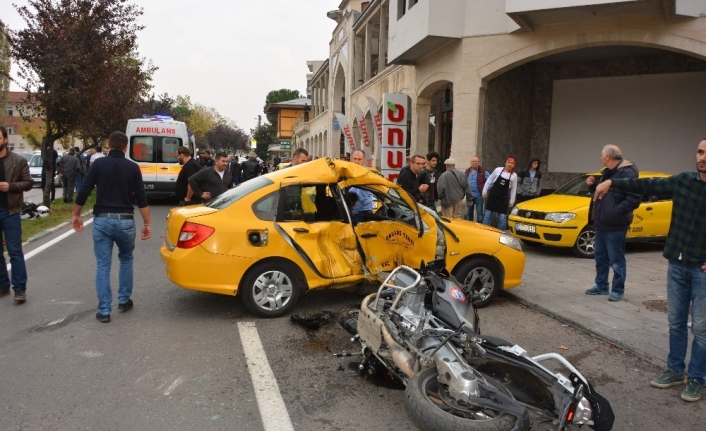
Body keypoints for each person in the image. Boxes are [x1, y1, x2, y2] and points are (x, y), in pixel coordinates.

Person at [594, 139, 706, 403]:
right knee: (676, 322)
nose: (703, 157)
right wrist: (612, 181)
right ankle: (676, 371)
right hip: (677, 265)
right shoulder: (683, 181)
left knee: (701, 328)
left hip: (701, 270)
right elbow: (645, 185)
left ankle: (698, 378)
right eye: (700, 152)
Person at [71, 131, 151, 323]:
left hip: (102, 220)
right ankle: (124, 300)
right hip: (125, 220)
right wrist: (147, 223)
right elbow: (141, 197)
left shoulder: (98, 164)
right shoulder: (133, 168)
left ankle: (105, 311)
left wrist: (76, 214)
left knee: (103, 265)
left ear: (108, 145)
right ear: (126, 147)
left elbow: (85, 189)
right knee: (126, 258)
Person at [584, 145, 641, 302]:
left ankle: (617, 289)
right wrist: (592, 187)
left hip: (616, 224)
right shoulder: (607, 173)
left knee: (616, 259)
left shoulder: (627, 173)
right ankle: (601, 285)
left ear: (608, 157)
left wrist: (615, 212)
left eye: (602, 155)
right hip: (602, 223)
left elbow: (634, 198)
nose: (601, 158)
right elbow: (604, 196)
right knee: (600, 257)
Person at [0, 126, 33, 303]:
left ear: (5, 140)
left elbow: (28, 183)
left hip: (10, 211)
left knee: (14, 251)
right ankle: (3, 287)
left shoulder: (18, 161)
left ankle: (19, 289)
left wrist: (10, 186)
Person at [482, 157, 518, 230]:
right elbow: (489, 180)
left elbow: (513, 189)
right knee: (487, 215)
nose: (510, 164)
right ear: (505, 163)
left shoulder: (514, 176)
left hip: (503, 199)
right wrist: (484, 190)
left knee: (502, 217)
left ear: (514, 166)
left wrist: (512, 201)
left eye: (512, 163)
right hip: (493, 196)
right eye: (509, 162)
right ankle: (484, 230)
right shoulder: (498, 170)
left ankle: (501, 233)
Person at [349, 149, 373, 223]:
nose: (357, 161)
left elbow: (361, 198)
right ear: (351, 159)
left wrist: (352, 213)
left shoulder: (364, 174)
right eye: (355, 159)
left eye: (359, 159)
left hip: (361, 212)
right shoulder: (351, 172)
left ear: (363, 160)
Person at [464, 156, 489, 222]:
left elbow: (490, 181)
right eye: (473, 161)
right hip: (469, 196)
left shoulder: (483, 171)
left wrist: (486, 190)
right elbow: (464, 182)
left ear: (478, 163)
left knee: (480, 213)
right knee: (469, 213)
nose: (474, 162)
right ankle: (470, 228)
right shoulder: (467, 171)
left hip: (479, 196)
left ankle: (479, 228)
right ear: (470, 162)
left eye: (476, 161)